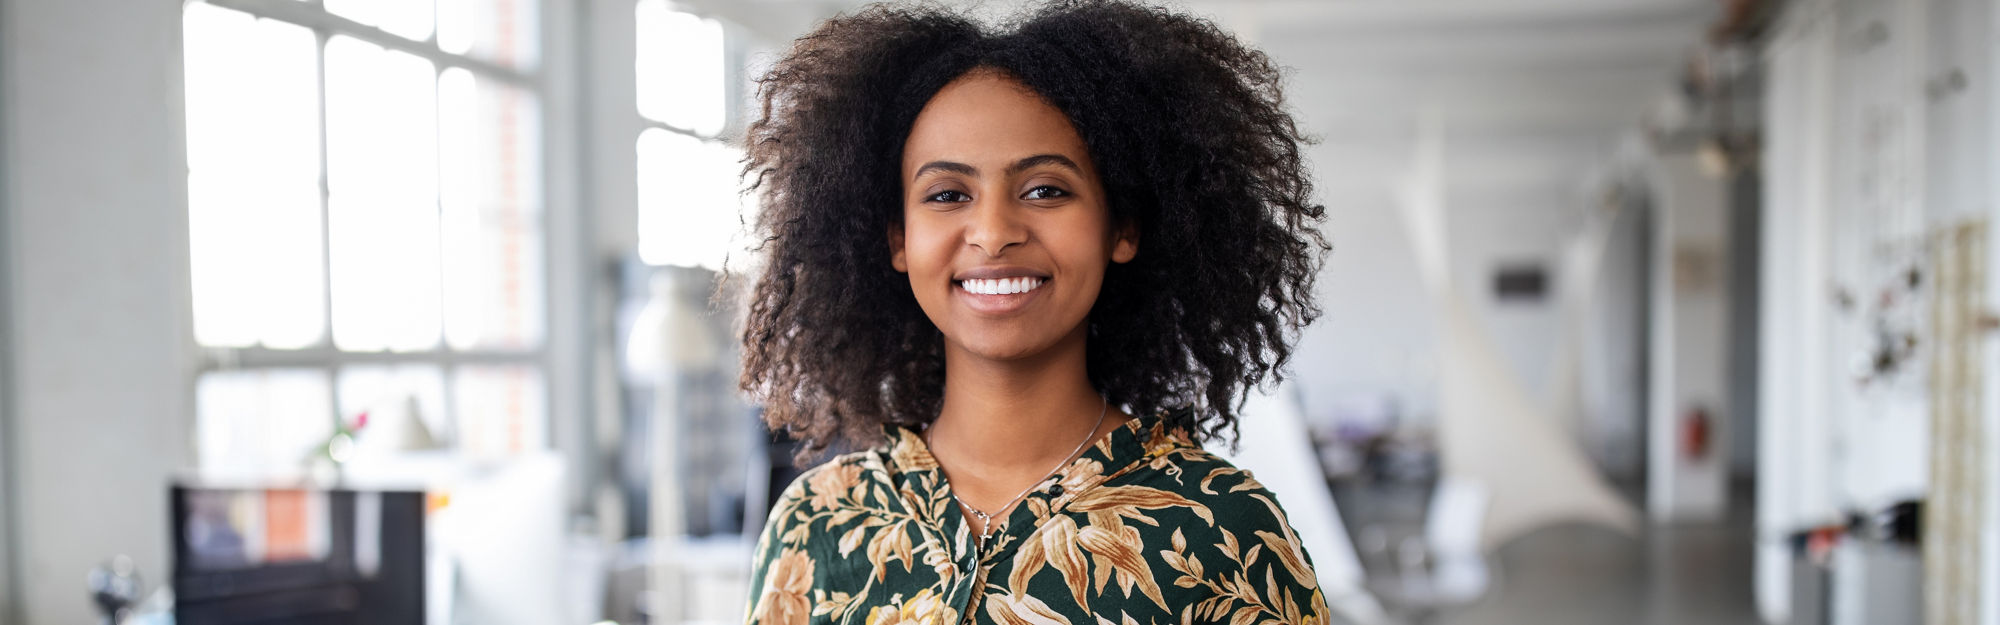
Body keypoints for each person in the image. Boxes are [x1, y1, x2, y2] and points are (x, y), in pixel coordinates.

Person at [735, 1, 1328, 623]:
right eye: (947, 194)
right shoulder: (817, 524)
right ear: (898, 240)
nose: (993, 232)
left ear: (1120, 227)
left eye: (1046, 189)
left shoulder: (1223, 531)